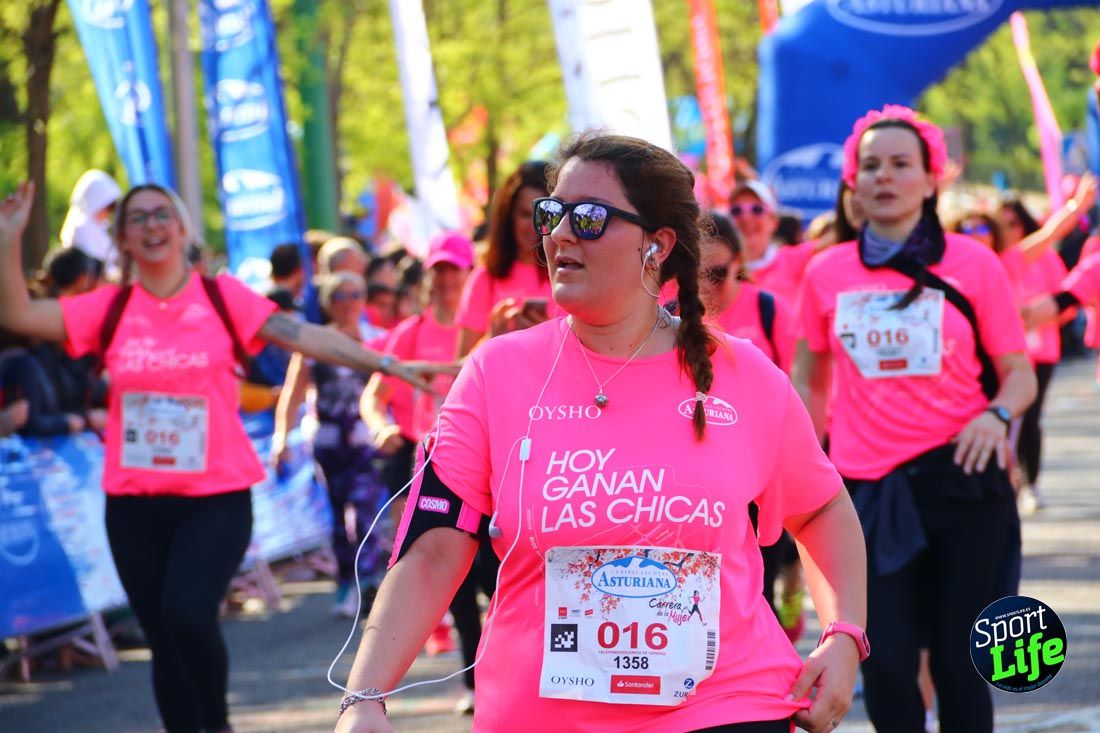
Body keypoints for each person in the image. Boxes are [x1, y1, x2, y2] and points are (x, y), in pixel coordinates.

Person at [335, 132, 866, 733]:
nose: (559, 233)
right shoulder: (496, 372)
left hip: (727, 708)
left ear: (657, 245)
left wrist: (843, 636)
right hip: (541, 717)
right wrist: (365, 698)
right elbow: (432, 548)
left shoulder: (743, 376)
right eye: (550, 213)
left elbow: (822, 510)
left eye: (588, 218)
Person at [0, 180, 442, 733]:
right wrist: (7, 239)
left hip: (215, 499)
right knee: (164, 637)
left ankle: (217, 726)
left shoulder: (220, 298)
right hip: (133, 504)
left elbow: (305, 335)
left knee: (188, 613)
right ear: (121, 238)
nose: (152, 225)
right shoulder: (108, 308)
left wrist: (386, 363)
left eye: (163, 214)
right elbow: (18, 314)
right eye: (138, 218)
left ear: (183, 227)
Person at [793, 106, 1037, 733]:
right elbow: (808, 382)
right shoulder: (825, 273)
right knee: (888, 665)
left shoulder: (973, 264)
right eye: (870, 166)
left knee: (962, 665)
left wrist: (996, 414)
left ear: (932, 180)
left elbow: (1018, 370)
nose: (884, 177)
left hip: (962, 479)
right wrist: (798, 473)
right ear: (853, 182)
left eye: (902, 164)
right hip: (867, 494)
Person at [697, 211, 805, 643]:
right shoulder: (664, 316)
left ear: (740, 262)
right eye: (695, 272)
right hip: (706, 472)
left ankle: (791, 599)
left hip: (764, 467)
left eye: (719, 274)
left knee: (771, 567)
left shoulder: (768, 307)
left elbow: (797, 387)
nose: (706, 286)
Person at [274, 272, 394, 618]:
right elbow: (292, 394)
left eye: (356, 294)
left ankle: (367, 581)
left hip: (366, 441)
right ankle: (346, 579)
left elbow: (394, 389)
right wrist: (281, 438)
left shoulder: (379, 340)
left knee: (364, 510)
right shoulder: (315, 343)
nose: (349, 302)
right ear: (328, 302)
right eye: (341, 296)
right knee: (339, 516)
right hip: (327, 443)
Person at [455, 161, 553, 357]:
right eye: (525, 214)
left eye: (543, 215)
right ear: (509, 217)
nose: (533, 225)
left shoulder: (570, 274)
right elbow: (459, 369)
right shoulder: (485, 278)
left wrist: (549, 337)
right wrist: (493, 338)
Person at [728, 180, 815, 307]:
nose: (746, 218)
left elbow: (836, 239)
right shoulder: (720, 270)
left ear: (774, 221)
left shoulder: (794, 260)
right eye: (736, 210)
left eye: (757, 209)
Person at [60, 169, 121, 273]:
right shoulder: (81, 227)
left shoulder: (96, 227)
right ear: (96, 201)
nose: (109, 212)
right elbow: (95, 268)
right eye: (109, 207)